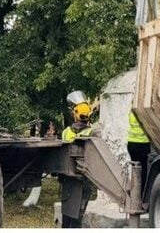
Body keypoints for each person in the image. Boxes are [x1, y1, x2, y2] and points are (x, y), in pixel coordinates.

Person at [60, 91, 95, 228]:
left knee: (67, 213)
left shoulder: (66, 132)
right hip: (83, 179)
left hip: (68, 178)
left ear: (75, 114)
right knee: (77, 217)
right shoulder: (92, 133)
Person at [127, 109, 151, 190]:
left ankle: (134, 191)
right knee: (143, 169)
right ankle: (141, 192)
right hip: (143, 144)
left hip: (131, 143)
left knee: (135, 168)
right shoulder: (143, 113)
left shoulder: (131, 113)